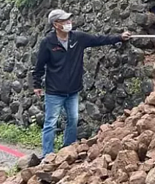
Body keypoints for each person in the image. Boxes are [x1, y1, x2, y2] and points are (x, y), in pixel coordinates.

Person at [33, 9, 132, 157]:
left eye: (69, 20)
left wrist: (119, 37)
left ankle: (68, 150)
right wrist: (36, 84)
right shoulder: (48, 43)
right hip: (54, 91)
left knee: (73, 120)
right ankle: (47, 155)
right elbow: (39, 65)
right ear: (56, 24)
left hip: (73, 90)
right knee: (50, 123)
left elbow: (99, 39)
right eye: (65, 20)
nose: (69, 23)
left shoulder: (78, 38)